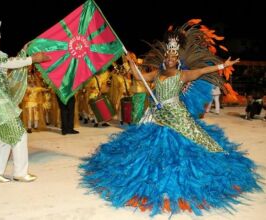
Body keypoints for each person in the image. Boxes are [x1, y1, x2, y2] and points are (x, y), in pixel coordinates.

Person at [80, 21, 261, 217]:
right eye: (168, 55)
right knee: (149, 148)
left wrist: (222, 65)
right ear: (165, 58)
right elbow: (140, 77)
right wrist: (131, 64)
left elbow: (201, 72)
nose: (171, 58)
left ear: (178, 60)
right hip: (157, 114)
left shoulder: (183, 75)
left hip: (177, 114)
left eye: (174, 56)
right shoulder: (157, 73)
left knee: (188, 145)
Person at [0, 17, 51, 183]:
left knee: (6, 137)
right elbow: (7, 63)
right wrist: (33, 59)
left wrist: (23, 52)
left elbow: (7, 65)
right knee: (19, 134)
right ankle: (20, 173)